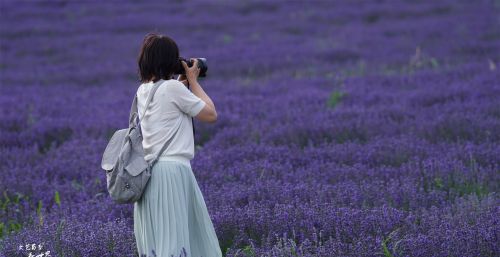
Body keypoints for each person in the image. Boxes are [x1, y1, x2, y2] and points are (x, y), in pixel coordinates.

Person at [133, 32, 222, 257]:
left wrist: (181, 86)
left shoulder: (143, 90)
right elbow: (210, 114)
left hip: (149, 174)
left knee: (160, 244)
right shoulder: (172, 89)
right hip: (172, 173)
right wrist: (192, 81)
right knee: (179, 243)